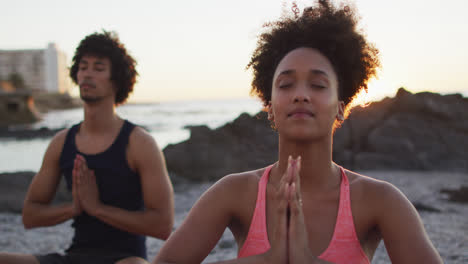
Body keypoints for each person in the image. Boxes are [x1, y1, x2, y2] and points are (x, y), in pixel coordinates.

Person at [153, 1, 443, 263]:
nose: (301, 95)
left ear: (341, 108)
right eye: (285, 84)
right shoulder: (235, 192)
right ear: (270, 108)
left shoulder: (380, 200)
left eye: (318, 85)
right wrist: (264, 261)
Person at [0, 31, 174, 264]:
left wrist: (98, 209)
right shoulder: (61, 143)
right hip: (74, 257)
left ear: (117, 80)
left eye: (98, 68)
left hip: (124, 259)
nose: (87, 75)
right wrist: (73, 208)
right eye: (83, 67)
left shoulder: (140, 143)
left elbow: (162, 225)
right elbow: (30, 215)